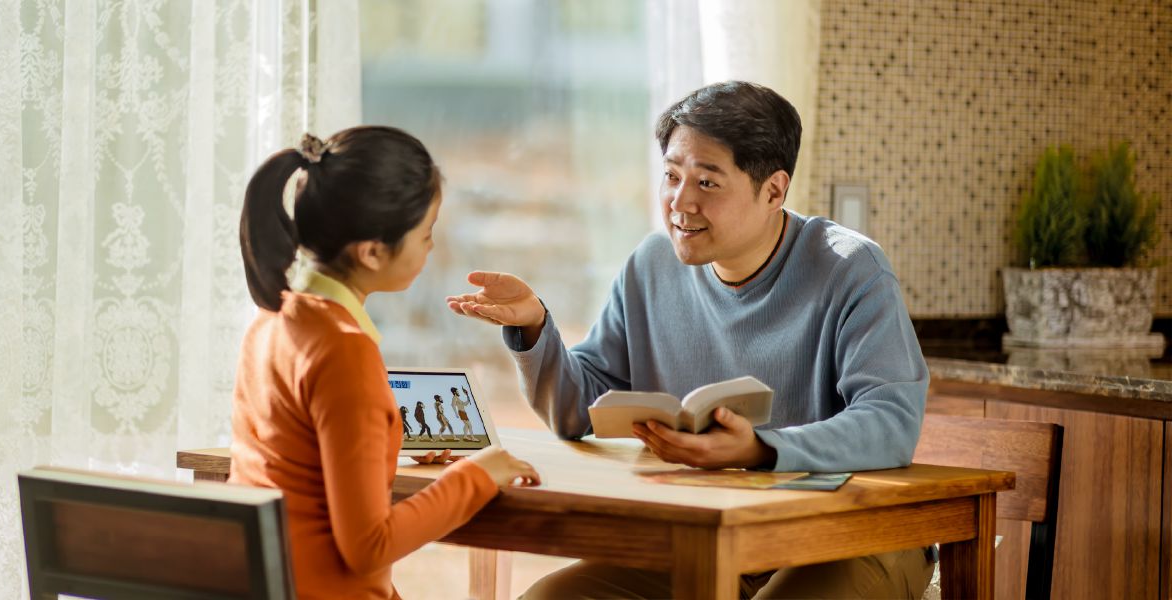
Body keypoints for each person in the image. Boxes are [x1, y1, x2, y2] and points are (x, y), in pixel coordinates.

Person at [446, 81, 932, 599]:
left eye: (707, 182)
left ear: (773, 191)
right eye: (672, 176)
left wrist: (760, 449)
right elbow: (578, 412)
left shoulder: (850, 268)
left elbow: (890, 422)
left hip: (853, 536)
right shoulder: (651, 267)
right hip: (715, 537)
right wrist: (533, 326)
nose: (680, 201)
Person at [229, 126, 540, 600]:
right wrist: (477, 476)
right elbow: (368, 547)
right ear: (373, 252)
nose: (431, 247)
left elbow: (300, 465)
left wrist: (384, 451)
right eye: (426, 234)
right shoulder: (344, 350)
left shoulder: (272, 318)